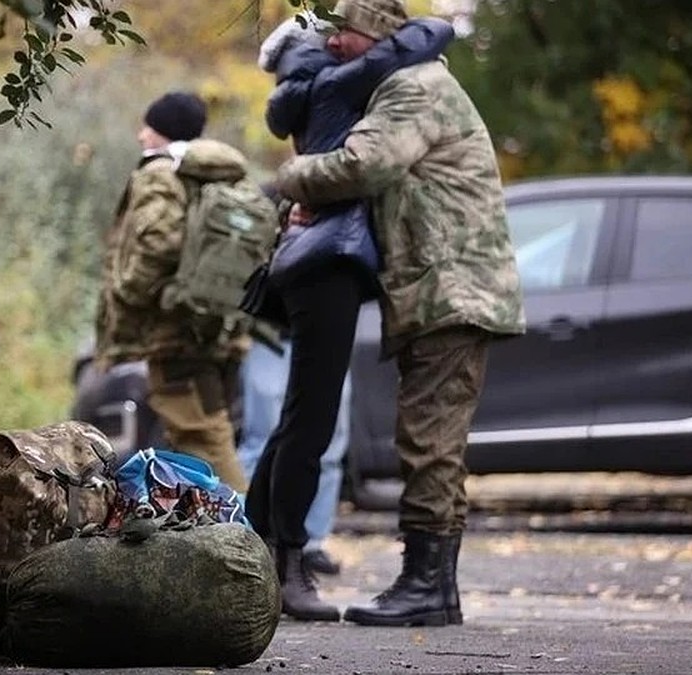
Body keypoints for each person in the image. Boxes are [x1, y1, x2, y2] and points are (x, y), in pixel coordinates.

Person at [275, 0, 525, 627]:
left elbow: (363, 165)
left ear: (381, 36)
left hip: (449, 289)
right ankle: (429, 586)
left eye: (347, 34)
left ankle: (427, 587)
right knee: (429, 438)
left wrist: (290, 178)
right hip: (438, 288)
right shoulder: (413, 85)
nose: (334, 45)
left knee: (430, 441)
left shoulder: (412, 89)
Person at [244, 9, 454, 621]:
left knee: (299, 418)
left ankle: (262, 550)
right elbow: (425, 39)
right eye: (327, 38)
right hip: (327, 264)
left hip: (315, 264)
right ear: (313, 55)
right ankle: (287, 564)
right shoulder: (336, 84)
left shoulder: (309, 90)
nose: (338, 41)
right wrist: (421, 26)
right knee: (310, 421)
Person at [93, 91, 250, 491]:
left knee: (203, 438)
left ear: (163, 131)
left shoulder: (162, 173)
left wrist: (128, 292)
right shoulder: (211, 176)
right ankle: (218, 538)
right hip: (216, 322)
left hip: (177, 331)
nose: (142, 135)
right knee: (203, 434)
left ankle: (245, 539)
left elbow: (159, 242)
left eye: (149, 126)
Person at [234, 335, 351, 577]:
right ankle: (247, 539)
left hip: (328, 329)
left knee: (328, 444)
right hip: (268, 332)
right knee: (261, 440)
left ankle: (312, 544)